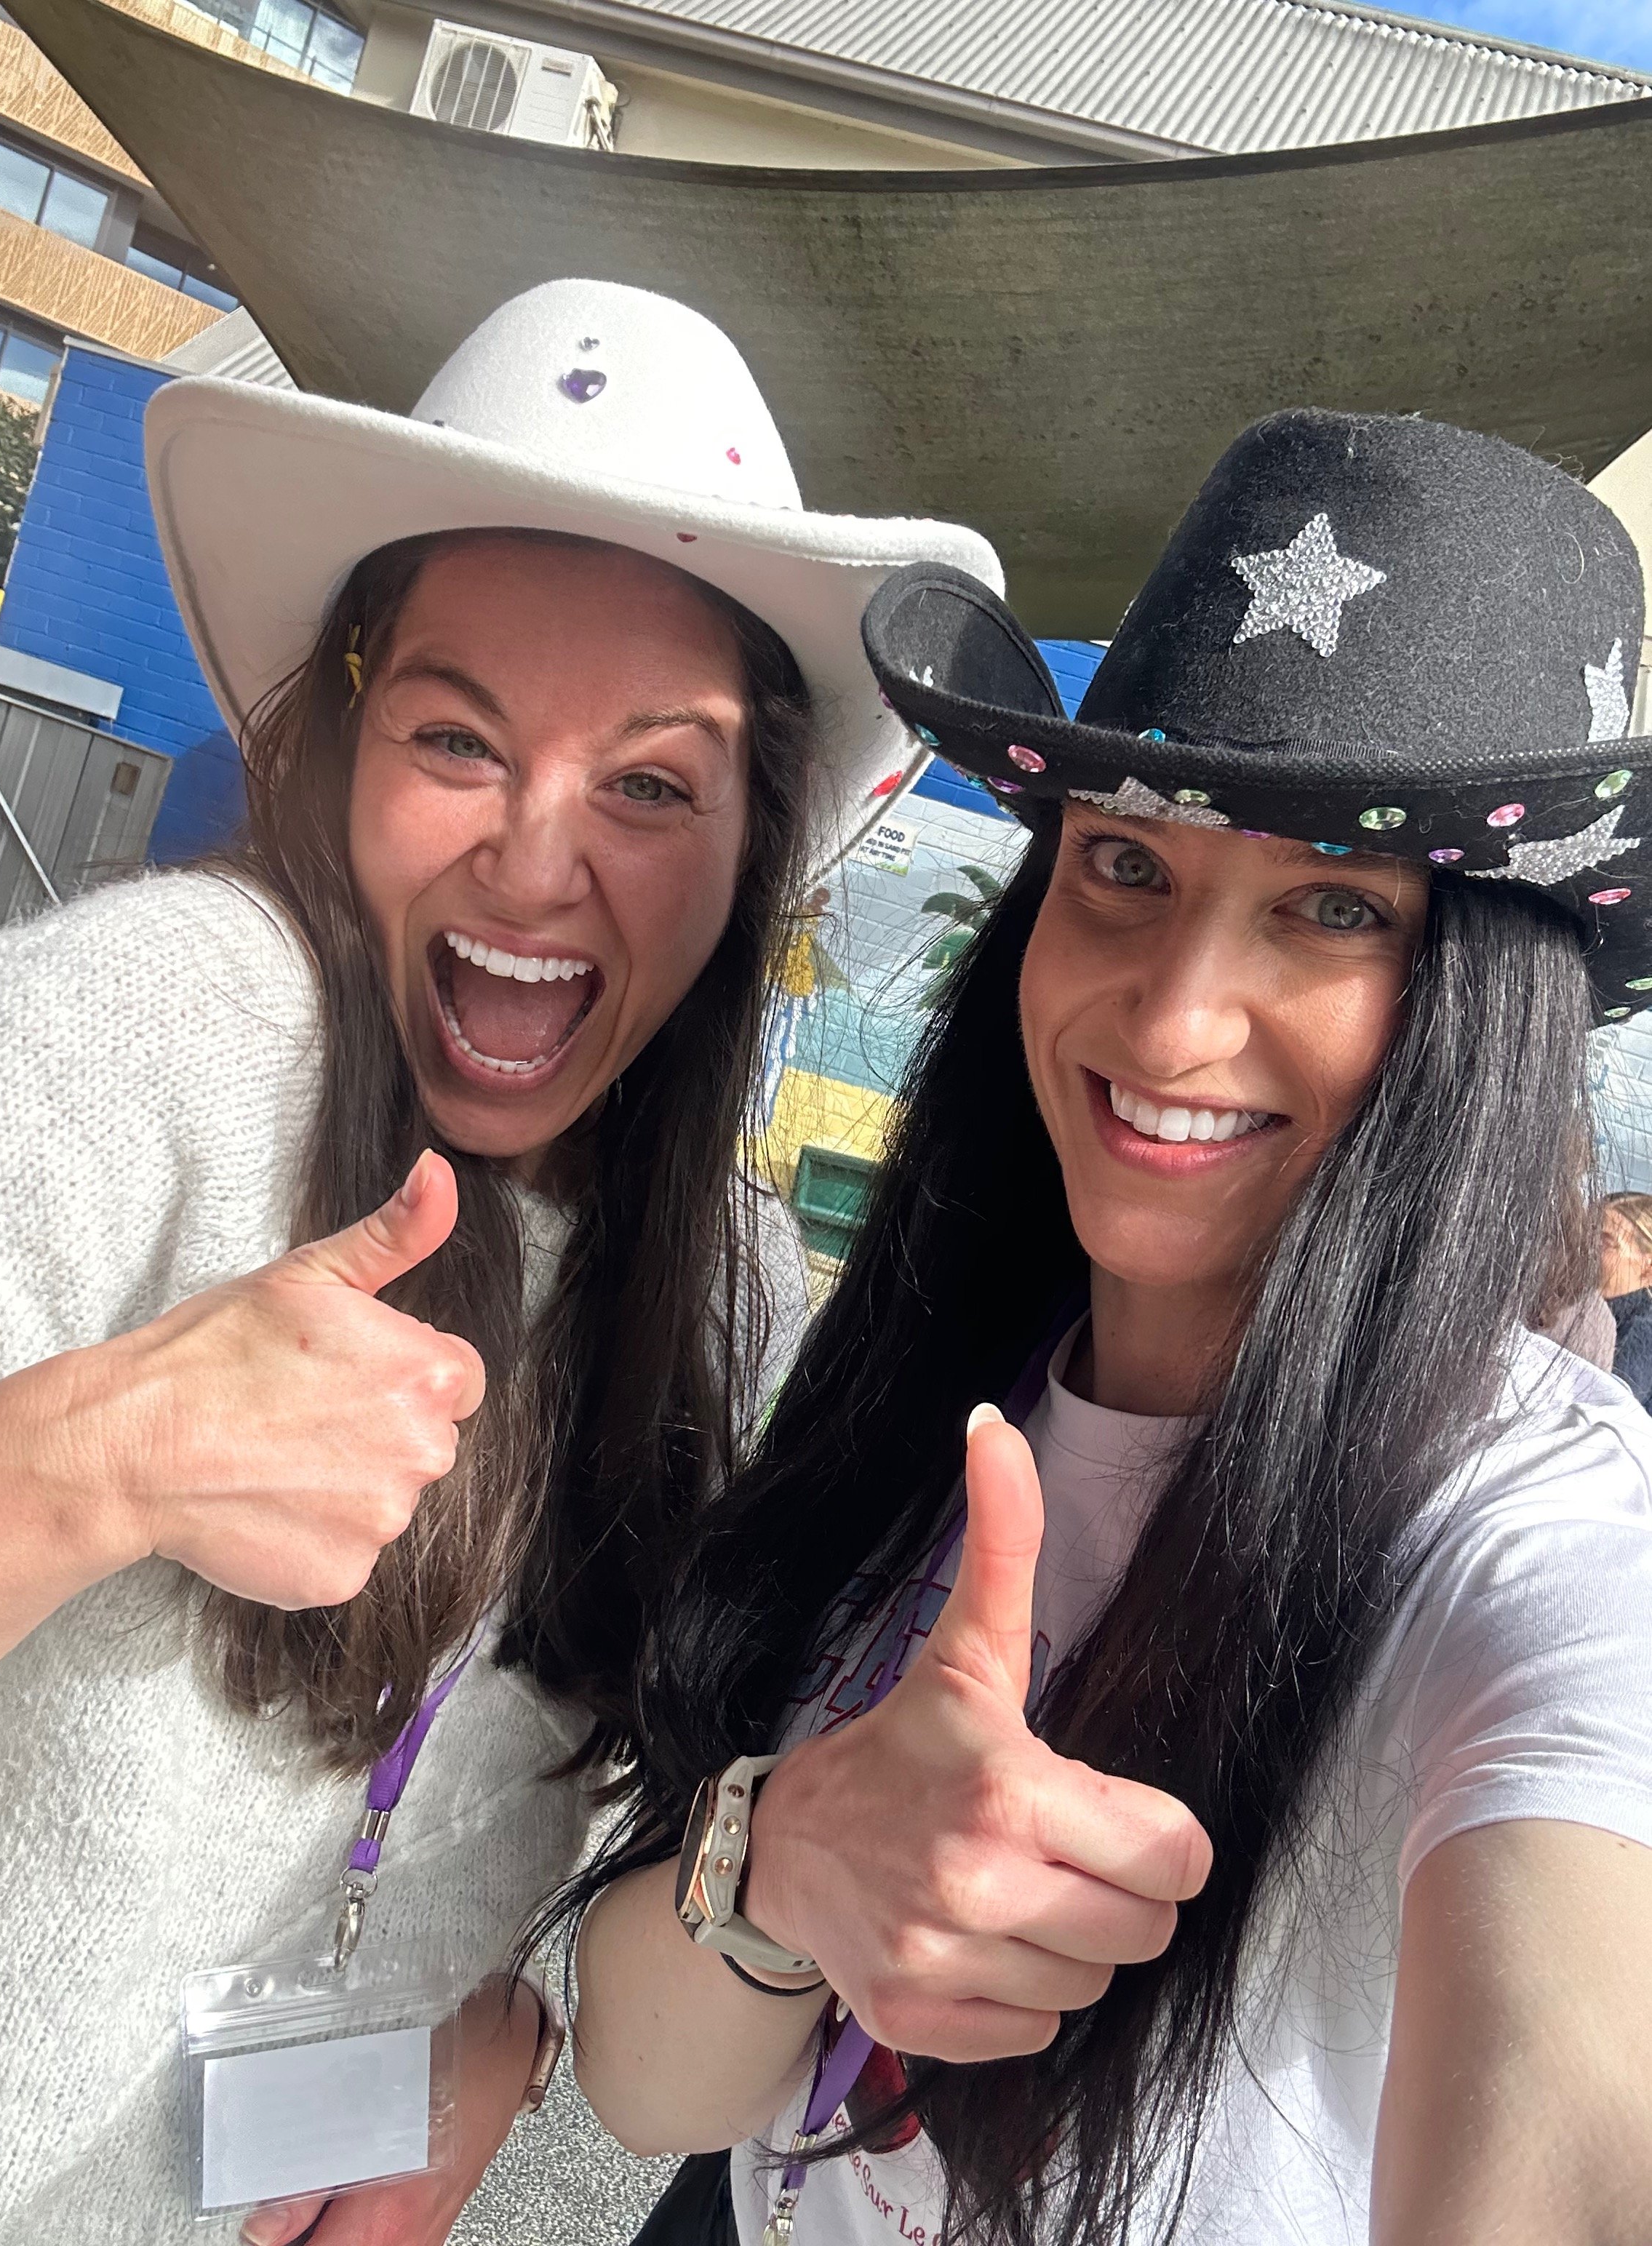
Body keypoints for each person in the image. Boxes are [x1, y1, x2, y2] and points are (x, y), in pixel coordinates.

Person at [0, 277, 997, 2246]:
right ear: (343, 743)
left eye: (647, 783)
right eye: (460, 736)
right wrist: (86, 1459)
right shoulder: (151, 1036)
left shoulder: (720, 1284)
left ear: (751, 840)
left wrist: (477, 2028)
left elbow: (563, 1814)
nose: (539, 861)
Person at [572, 409, 1652, 2246]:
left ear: (1475, 1001)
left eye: (1325, 909)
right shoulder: (918, 1387)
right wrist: (785, 1856)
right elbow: (647, 2086)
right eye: (1125, 868)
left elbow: (1570, 2072)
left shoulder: (1538, 1542)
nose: (1165, 1027)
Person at [1601, 1191, 1652, 1403]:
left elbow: (1605, 1407)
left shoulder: (1641, 1332)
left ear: (1648, 1268)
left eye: (1605, 1242)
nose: (1582, 1248)